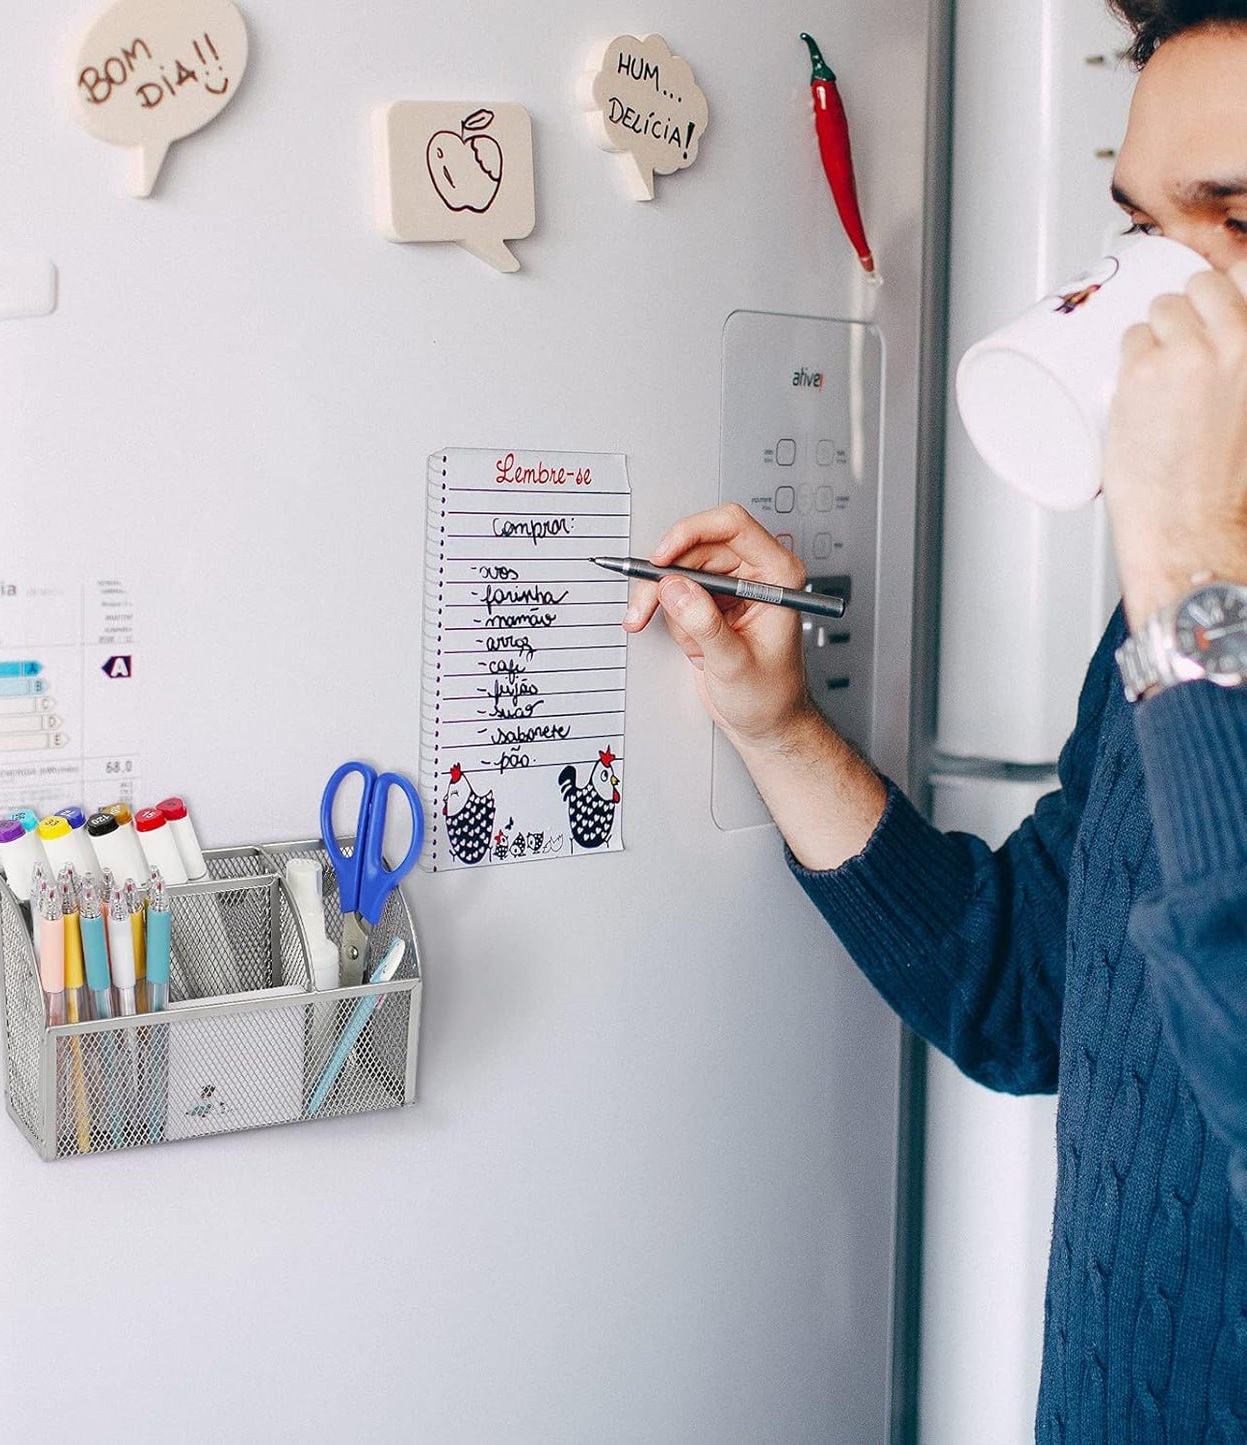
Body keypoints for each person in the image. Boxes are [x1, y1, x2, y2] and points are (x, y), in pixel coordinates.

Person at [625, 4, 1247, 1438]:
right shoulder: (1173, 622)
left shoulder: (1189, 605)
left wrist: (1190, 582)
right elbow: (1028, 993)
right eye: (1141, 227)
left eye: (1236, 219)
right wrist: (776, 727)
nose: (1160, 307)